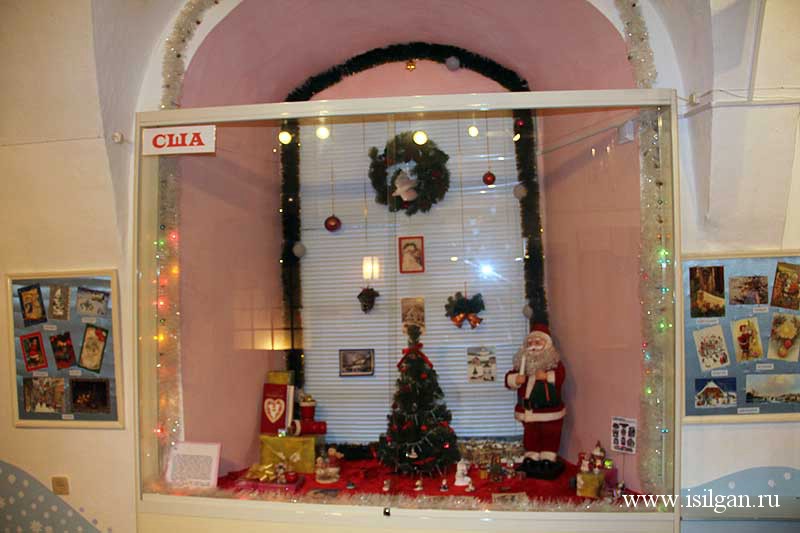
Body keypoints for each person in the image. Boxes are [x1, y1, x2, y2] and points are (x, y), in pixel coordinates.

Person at [505, 324, 566, 477]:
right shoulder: (522, 365)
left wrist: (547, 376)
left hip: (549, 411)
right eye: (530, 343)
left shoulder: (553, 363)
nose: (533, 346)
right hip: (529, 411)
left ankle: (548, 457)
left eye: (538, 342)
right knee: (531, 435)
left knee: (550, 434)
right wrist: (515, 379)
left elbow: (560, 376)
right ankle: (531, 456)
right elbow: (508, 379)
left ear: (547, 345)